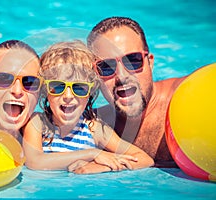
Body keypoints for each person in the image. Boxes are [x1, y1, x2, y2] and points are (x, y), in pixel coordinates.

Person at [22, 40, 154, 172]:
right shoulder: (38, 123)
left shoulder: (93, 129)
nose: (68, 96)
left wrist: (99, 167)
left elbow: (144, 159)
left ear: (90, 92)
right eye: (58, 87)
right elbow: (34, 161)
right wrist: (92, 154)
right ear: (45, 90)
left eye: (79, 88)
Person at [86, 16, 187, 168]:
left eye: (132, 60)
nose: (122, 76)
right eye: (106, 67)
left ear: (150, 62)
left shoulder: (185, 96)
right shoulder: (91, 125)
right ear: (95, 75)